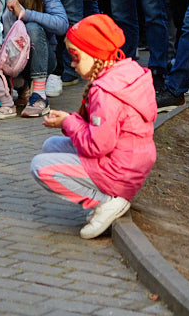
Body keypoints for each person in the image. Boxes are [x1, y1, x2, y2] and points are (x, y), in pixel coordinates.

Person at [30, 13, 157, 239]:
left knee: (41, 167)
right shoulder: (126, 72)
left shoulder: (105, 91)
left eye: (75, 56)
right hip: (131, 163)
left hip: (119, 172)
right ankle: (109, 197)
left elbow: (97, 146)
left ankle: (107, 201)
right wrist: (70, 121)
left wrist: (69, 122)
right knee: (52, 146)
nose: (72, 63)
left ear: (94, 54)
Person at [0, 0, 69, 117]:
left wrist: (25, 13)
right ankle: (20, 87)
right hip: (7, 59)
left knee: (33, 27)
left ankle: (39, 95)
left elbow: (62, 23)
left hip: (41, 58)